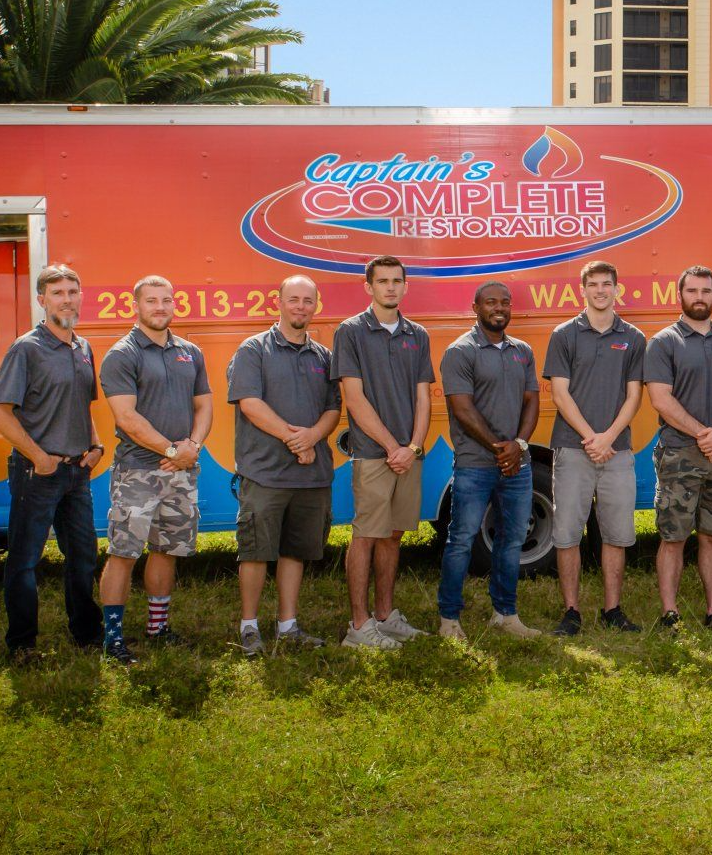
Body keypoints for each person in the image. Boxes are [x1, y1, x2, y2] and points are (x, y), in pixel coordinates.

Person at [0, 264, 105, 663]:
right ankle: (21, 645)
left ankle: (88, 635)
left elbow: (83, 405)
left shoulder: (83, 347)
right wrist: (39, 458)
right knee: (24, 561)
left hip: (77, 472)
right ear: (42, 300)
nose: (67, 298)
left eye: (73, 290)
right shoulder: (27, 348)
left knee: (84, 557)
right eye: (58, 293)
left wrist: (96, 444)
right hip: (37, 472)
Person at [95, 275, 212, 664]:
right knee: (124, 553)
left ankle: (157, 629)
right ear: (136, 306)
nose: (160, 307)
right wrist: (171, 449)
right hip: (138, 472)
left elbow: (204, 406)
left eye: (167, 300)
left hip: (181, 471)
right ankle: (112, 640)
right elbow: (127, 418)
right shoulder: (122, 354)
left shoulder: (190, 352)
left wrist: (192, 447)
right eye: (152, 301)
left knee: (166, 551)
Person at [227, 275, 341, 656]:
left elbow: (333, 408)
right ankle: (249, 627)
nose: (301, 307)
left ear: (316, 306)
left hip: (311, 474)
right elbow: (249, 403)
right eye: (294, 300)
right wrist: (296, 439)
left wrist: (313, 438)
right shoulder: (253, 350)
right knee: (256, 551)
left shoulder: (323, 357)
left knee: (295, 550)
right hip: (265, 472)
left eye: (308, 301)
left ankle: (288, 625)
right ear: (278, 302)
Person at [332, 255, 435, 650]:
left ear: (405, 286)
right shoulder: (351, 331)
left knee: (393, 536)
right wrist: (393, 447)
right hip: (375, 454)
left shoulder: (418, 334)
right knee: (366, 536)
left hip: (408, 455)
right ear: (368, 287)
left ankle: (385, 616)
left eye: (397, 281)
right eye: (383, 281)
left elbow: (423, 397)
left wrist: (412, 447)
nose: (390, 287)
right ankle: (358, 628)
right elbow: (354, 399)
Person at [645, 265, 712, 630]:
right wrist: (704, 434)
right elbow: (660, 398)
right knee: (673, 536)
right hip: (678, 454)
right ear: (681, 295)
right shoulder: (663, 342)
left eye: (706, 291)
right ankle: (670, 614)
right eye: (692, 291)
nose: (699, 297)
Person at [543, 259, 645, 635]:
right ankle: (572, 611)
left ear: (617, 289)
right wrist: (591, 438)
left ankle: (612, 609)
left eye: (607, 284)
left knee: (616, 533)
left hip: (617, 451)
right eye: (594, 284)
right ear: (581, 290)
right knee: (567, 533)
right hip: (573, 449)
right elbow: (559, 393)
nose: (600, 290)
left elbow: (634, 396)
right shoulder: (564, 335)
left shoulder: (633, 337)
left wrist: (608, 439)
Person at [437, 281, 543, 640]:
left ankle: (505, 614)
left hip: (518, 464)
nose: (498, 308)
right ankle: (449, 619)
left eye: (504, 302)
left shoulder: (522, 351)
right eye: (490, 302)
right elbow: (462, 409)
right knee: (462, 540)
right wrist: (503, 448)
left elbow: (532, 401)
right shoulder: (459, 351)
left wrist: (520, 443)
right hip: (474, 464)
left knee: (511, 539)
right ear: (475, 307)